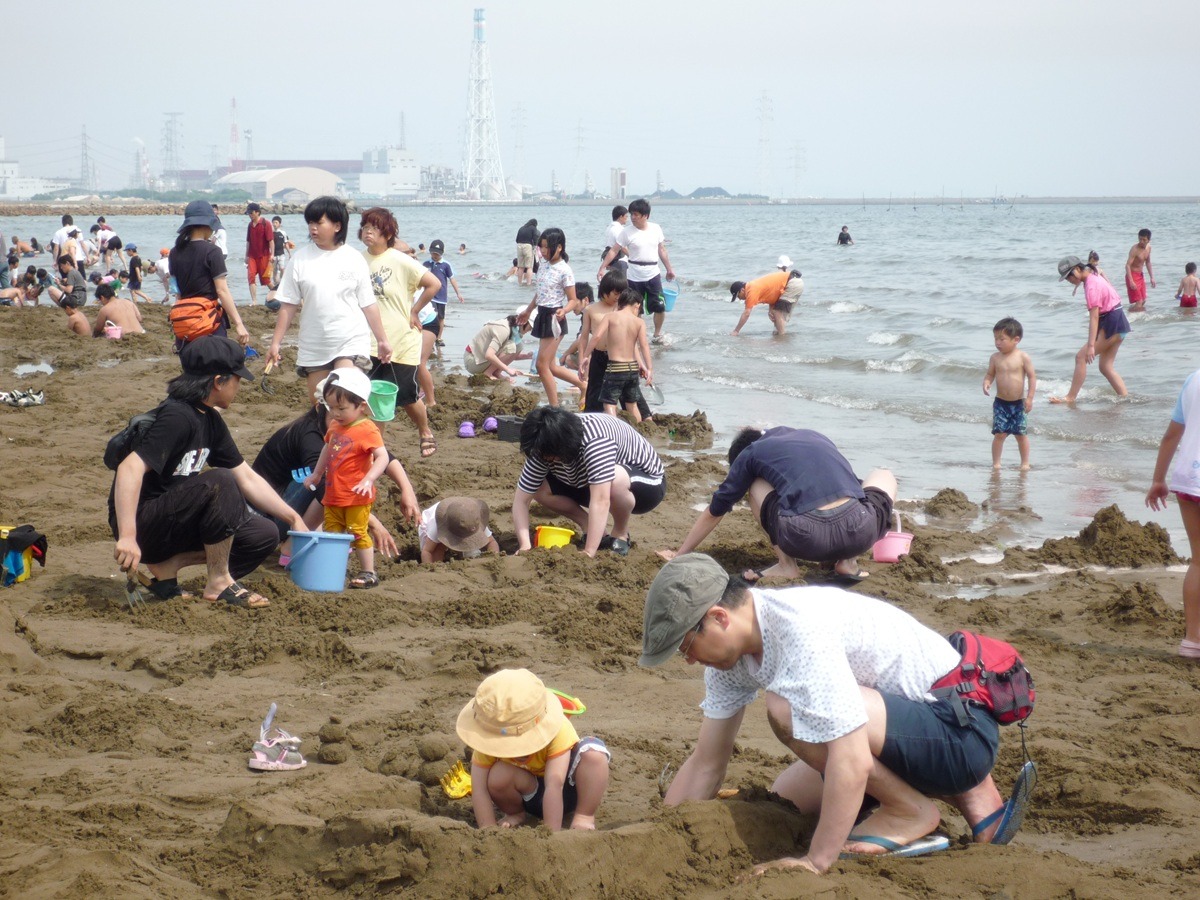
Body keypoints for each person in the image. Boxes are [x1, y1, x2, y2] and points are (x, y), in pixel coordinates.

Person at [639, 554, 1030, 877]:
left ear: (720, 617)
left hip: (959, 736)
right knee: (787, 798)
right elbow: (708, 761)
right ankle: (973, 806)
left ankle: (911, 810)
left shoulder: (798, 629)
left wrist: (815, 861)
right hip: (912, 728)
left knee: (786, 709)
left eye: (686, 644)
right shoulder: (730, 658)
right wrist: (658, 834)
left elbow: (852, 758)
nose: (688, 660)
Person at [111, 336, 306, 608]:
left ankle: (170, 565)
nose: (238, 387)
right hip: (144, 523)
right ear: (218, 381)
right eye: (237, 379)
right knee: (220, 480)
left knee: (264, 533)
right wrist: (128, 536)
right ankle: (219, 582)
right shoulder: (178, 416)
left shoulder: (210, 420)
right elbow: (129, 468)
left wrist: (293, 518)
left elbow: (247, 477)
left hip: (175, 520)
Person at [660, 426, 895, 584]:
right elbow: (849, 488)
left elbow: (716, 510)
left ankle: (786, 565)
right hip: (859, 530)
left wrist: (680, 554)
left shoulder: (752, 453)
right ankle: (847, 562)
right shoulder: (815, 436)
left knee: (754, 486)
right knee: (883, 474)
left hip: (805, 536)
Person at [251, 403, 418, 563]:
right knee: (330, 482)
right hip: (270, 518)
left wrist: (407, 489)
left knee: (353, 464)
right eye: (334, 411)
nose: (340, 417)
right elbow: (323, 487)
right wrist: (373, 523)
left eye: (344, 410)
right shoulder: (311, 437)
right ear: (319, 408)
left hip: (284, 504)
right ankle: (294, 543)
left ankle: (315, 534)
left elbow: (381, 453)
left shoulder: (345, 429)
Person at [266, 196, 392, 404]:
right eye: (310, 223)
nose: (313, 228)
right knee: (321, 407)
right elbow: (288, 306)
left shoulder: (353, 258)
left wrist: (382, 340)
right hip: (314, 344)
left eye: (319, 222)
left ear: (337, 226)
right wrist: (275, 343)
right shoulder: (300, 259)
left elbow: (368, 304)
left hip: (350, 341)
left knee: (344, 399)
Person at [457, 668, 611, 831]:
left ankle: (584, 815)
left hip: (569, 789)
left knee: (594, 754)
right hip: (530, 795)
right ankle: (516, 813)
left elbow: (554, 784)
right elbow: (479, 789)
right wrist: (487, 829)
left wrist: (551, 833)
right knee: (498, 776)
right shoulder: (488, 740)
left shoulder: (558, 730)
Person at [512, 406, 666, 557]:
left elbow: (600, 500)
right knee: (539, 488)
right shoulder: (541, 446)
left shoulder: (595, 440)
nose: (547, 459)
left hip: (646, 484)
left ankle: (620, 533)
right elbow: (521, 500)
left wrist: (589, 551)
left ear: (562, 445)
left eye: (550, 456)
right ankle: (588, 526)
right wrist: (525, 545)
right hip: (590, 480)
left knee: (615, 480)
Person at [357, 207, 441, 459]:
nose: (368, 231)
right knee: (370, 395)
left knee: (406, 395)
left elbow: (433, 284)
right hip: (367, 341)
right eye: (365, 226)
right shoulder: (357, 260)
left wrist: (415, 310)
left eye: (375, 227)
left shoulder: (401, 260)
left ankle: (424, 431)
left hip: (401, 340)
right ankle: (374, 446)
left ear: (388, 233)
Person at [301, 369, 388, 589]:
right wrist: (317, 473)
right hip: (333, 493)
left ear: (361, 405)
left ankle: (368, 572)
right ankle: (334, 569)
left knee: (358, 532)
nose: (336, 413)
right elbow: (327, 449)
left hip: (357, 495)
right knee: (332, 533)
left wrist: (368, 479)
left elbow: (382, 457)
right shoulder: (335, 426)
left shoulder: (367, 429)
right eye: (331, 407)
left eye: (342, 408)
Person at [1146, 366, 1200, 659]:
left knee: (1199, 560)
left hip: (1188, 479)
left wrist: (1158, 480)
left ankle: (1192, 641)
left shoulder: (1193, 379)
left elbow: (1171, 436)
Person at [516, 228, 585, 408]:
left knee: (541, 365)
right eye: (542, 247)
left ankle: (554, 407)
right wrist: (528, 311)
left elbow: (573, 299)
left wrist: (564, 310)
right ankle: (583, 385)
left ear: (559, 247)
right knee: (551, 367)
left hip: (555, 319)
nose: (543, 251)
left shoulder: (565, 270)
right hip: (542, 315)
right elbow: (540, 294)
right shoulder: (543, 265)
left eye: (547, 247)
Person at [169, 200, 250, 348]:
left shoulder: (174, 252)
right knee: (216, 369)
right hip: (208, 323)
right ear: (208, 224)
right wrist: (239, 324)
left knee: (191, 370)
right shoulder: (213, 251)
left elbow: (176, 292)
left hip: (184, 325)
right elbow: (222, 291)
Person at [1049, 255, 1129, 404]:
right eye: (1066, 279)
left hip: (1112, 322)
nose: (1070, 280)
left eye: (1070, 276)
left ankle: (1070, 398)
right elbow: (1095, 271)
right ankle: (1125, 399)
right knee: (1105, 366)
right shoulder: (1092, 274)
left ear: (1078, 269)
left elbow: (1094, 317)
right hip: (1119, 320)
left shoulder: (1091, 285)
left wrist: (1091, 346)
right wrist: (1077, 284)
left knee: (1080, 357)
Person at [596, 198, 675, 344]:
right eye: (631, 214)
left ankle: (657, 334)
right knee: (634, 308)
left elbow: (662, 250)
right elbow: (614, 250)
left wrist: (669, 269)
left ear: (646, 215)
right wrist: (602, 267)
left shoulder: (656, 228)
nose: (632, 217)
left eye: (636, 214)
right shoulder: (626, 232)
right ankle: (638, 336)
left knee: (659, 306)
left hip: (653, 273)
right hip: (634, 275)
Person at [583, 288, 652, 422]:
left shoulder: (610, 317)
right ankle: (637, 432)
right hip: (632, 368)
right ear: (636, 304)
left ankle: (614, 431)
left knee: (609, 403)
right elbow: (644, 346)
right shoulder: (639, 322)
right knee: (631, 405)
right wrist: (649, 369)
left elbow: (596, 337)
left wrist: (585, 356)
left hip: (615, 368)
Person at [983, 317, 1036, 470]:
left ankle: (1025, 463)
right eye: (995, 339)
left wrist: (1030, 398)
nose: (997, 342)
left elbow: (1032, 377)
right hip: (1000, 402)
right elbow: (990, 375)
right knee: (999, 434)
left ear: (1016, 339)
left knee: (1021, 435)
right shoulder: (995, 358)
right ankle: (996, 464)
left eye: (1002, 339)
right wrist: (987, 383)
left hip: (1018, 403)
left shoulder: (1023, 357)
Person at [419, 496, 499, 563]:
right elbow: (427, 551)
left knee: (472, 551)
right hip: (427, 525)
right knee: (439, 547)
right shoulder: (437, 526)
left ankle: (469, 552)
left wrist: (493, 558)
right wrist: (431, 569)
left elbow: (492, 542)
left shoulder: (473, 520)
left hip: (463, 521)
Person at [463, 307, 533, 380]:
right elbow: (489, 355)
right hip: (472, 361)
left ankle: (496, 372)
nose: (531, 330)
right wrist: (508, 370)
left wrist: (527, 356)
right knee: (511, 346)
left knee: (519, 346)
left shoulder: (513, 330)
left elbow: (508, 355)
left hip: (481, 360)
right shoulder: (503, 329)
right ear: (524, 322)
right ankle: (488, 373)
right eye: (531, 327)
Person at [728, 268, 803, 336]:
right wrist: (770, 310)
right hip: (795, 282)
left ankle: (782, 338)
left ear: (742, 290)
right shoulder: (753, 287)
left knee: (777, 312)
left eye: (738, 296)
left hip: (792, 282)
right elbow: (773, 292)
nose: (740, 299)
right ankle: (780, 340)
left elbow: (747, 313)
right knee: (778, 316)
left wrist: (736, 331)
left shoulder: (751, 290)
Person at [421, 239, 463, 348]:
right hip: (429, 295)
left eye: (437, 254)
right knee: (430, 315)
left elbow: (452, 279)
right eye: (433, 253)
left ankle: (438, 338)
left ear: (442, 253)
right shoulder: (426, 264)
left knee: (440, 317)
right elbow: (419, 277)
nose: (435, 256)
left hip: (441, 297)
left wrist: (458, 293)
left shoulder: (446, 265)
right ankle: (428, 336)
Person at [244, 202, 274, 306]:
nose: (250, 215)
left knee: (265, 280)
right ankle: (254, 301)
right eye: (248, 213)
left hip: (264, 256)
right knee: (251, 277)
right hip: (252, 256)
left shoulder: (266, 223)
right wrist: (246, 256)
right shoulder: (250, 225)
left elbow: (271, 241)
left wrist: (272, 255)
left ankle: (278, 296)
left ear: (257, 212)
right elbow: (248, 241)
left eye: (251, 213)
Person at [1124, 228, 1154, 312]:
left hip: (1140, 275)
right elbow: (1127, 265)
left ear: (1148, 240)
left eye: (1144, 240)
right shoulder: (1134, 249)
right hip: (1132, 275)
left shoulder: (1148, 248)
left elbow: (1148, 262)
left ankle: (1130, 312)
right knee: (1139, 301)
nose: (1141, 241)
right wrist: (1131, 281)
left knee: (1143, 300)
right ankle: (1133, 318)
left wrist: (1152, 277)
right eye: (1140, 239)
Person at [602, 205, 629, 274]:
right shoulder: (619, 229)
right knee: (622, 283)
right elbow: (623, 247)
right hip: (620, 261)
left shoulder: (609, 227)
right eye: (626, 216)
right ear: (620, 217)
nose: (627, 219)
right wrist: (633, 257)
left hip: (611, 260)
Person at [515, 218, 539, 285]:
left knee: (521, 267)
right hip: (528, 246)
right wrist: (535, 246)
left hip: (519, 246)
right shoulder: (533, 228)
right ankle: (528, 283)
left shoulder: (521, 228)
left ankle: (519, 283)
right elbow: (535, 238)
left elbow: (517, 240)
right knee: (529, 267)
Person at [270, 215, 291, 290]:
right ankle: (276, 285)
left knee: (282, 268)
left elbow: (286, 243)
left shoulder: (283, 233)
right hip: (273, 255)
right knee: (274, 270)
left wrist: (289, 253)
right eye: (273, 222)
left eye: (276, 222)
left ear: (279, 224)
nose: (274, 224)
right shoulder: (270, 233)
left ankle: (283, 282)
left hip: (281, 254)